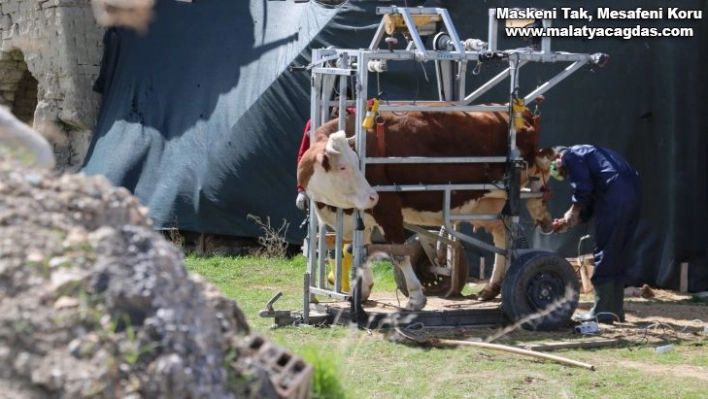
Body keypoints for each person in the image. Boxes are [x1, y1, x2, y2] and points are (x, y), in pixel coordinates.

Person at [549, 145, 642, 324]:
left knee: (605, 249)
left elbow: (582, 189)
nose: (564, 172)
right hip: (633, 194)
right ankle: (615, 309)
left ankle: (602, 310)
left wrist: (572, 212)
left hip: (614, 197)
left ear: (558, 157)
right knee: (618, 250)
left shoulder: (571, 154)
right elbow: (590, 199)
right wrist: (570, 221)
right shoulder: (593, 156)